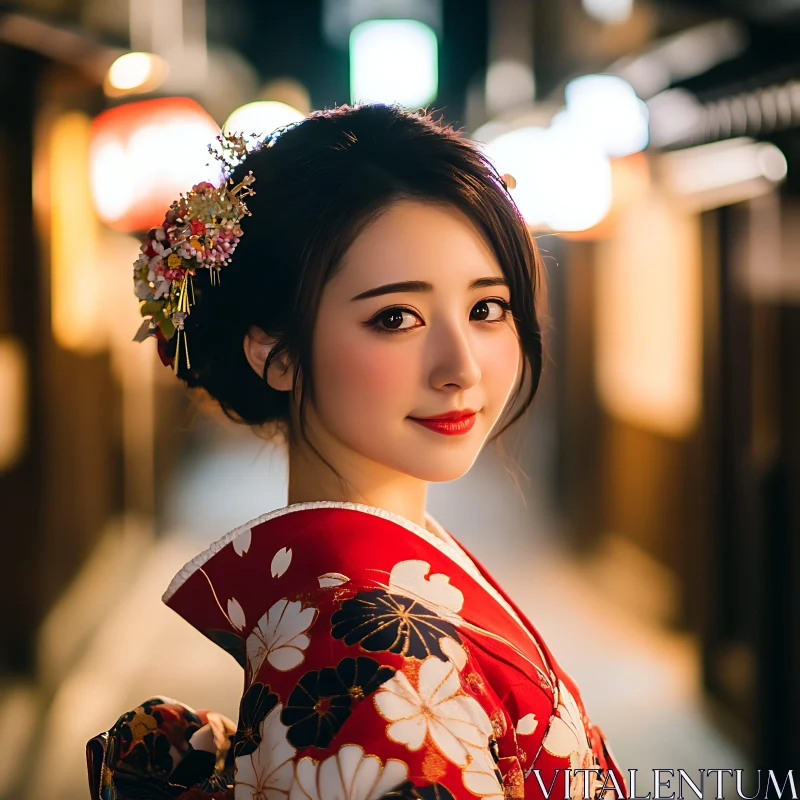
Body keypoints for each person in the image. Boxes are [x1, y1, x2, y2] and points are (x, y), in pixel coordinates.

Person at [87, 104, 628, 800]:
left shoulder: (365, 593)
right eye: (396, 317)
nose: (460, 367)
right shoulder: (369, 664)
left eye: (487, 308)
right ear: (276, 352)